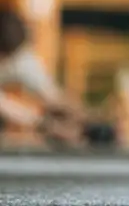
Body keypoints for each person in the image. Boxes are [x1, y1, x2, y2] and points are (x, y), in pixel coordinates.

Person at [0, 9, 87, 144]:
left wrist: (81, 117)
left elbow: (51, 94)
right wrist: (44, 123)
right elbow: (4, 106)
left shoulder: (18, 54)